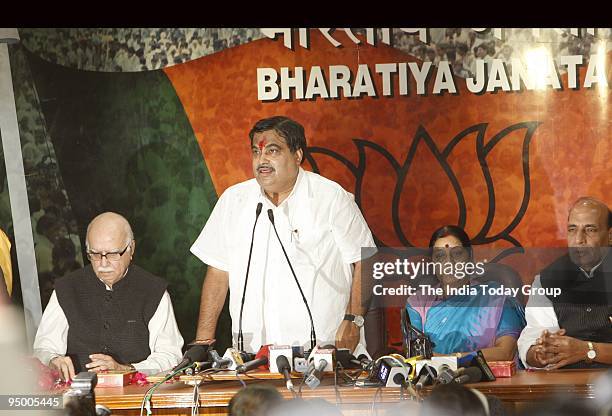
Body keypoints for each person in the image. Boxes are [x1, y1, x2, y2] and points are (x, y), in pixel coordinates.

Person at [191, 116, 375, 353]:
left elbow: (367, 257)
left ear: (297, 155)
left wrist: (354, 321)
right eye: (256, 153)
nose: (262, 161)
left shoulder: (330, 197)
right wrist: (203, 342)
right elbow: (218, 271)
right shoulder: (233, 201)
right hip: (254, 354)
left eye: (273, 151)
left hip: (323, 349)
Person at [33, 212, 184, 381]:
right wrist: (53, 360)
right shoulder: (67, 288)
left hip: (135, 398)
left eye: (112, 254)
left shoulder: (153, 291)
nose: (103, 264)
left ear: (131, 249)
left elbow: (170, 355)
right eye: (95, 255)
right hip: (77, 400)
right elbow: (43, 347)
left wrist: (127, 370)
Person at [517, 197, 612, 369]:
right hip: (566, 386)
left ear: (610, 235)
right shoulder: (546, 280)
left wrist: (587, 350)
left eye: (590, 230)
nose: (579, 240)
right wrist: (539, 353)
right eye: (572, 230)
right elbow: (533, 334)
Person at [406, 225, 526, 362]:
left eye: (457, 253)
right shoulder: (418, 304)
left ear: (470, 257)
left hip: (490, 380)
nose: (449, 262)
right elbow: (416, 357)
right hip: (433, 382)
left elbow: (505, 353)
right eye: (440, 256)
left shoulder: (496, 299)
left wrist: (451, 359)